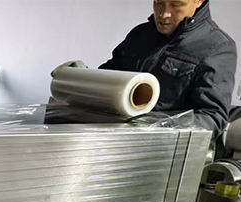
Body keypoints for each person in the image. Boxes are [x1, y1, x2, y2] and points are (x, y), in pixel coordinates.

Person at [100, 0, 237, 135]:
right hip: (112, 133)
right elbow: (106, 80)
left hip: (165, 144)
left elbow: (212, 117)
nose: (164, 14)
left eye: (175, 4)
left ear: (198, 1)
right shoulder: (139, 35)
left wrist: (159, 127)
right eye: (158, 3)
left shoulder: (217, 47)